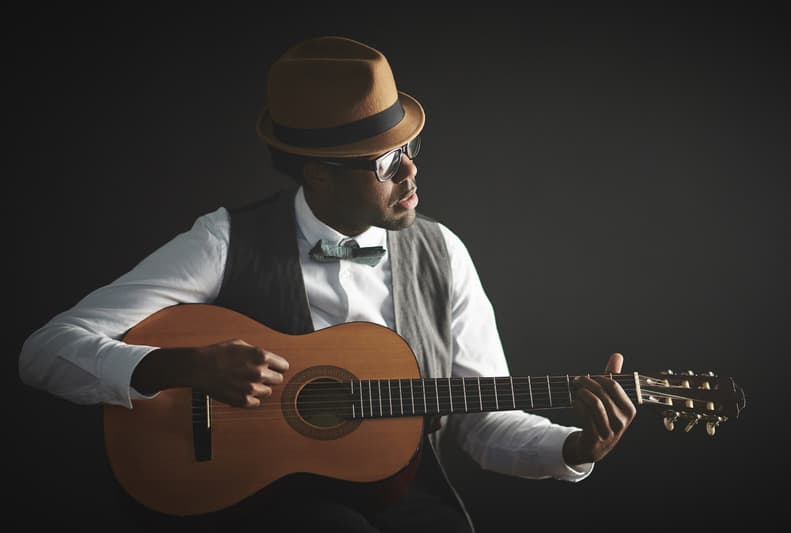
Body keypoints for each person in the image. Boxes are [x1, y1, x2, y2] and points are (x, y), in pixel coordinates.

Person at [18, 35, 636, 532]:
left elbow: (482, 421)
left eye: (410, 146)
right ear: (318, 176)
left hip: (401, 496)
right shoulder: (224, 241)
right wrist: (176, 367)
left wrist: (576, 447)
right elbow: (44, 350)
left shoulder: (443, 253)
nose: (412, 170)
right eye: (386, 161)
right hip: (257, 501)